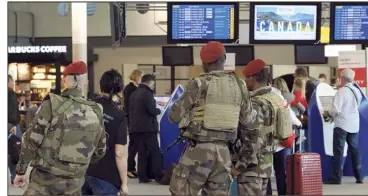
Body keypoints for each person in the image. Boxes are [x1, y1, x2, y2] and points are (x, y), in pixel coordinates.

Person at [169, 41, 254, 196]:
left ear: (203, 62)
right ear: (224, 58)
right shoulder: (239, 85)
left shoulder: (198, 83)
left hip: (198, 152)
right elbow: (248, 120)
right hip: (224, 154)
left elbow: (174, 116)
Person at [13, 61, 107, 195]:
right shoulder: (96, 111)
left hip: (44, 182)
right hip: (74, 183)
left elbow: (31, 140)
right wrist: (77, 164)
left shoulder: (51, 104)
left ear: (64, 81)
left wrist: (21, 171)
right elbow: (100, 150)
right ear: (86, 83)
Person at [236, 59, 293, 196]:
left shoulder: (256, 103)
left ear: (252, 78)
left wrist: (240, 166)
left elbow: (253, 138)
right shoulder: (275, 98)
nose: (245, 82)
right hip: (267, 161)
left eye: (246, 78)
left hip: (252, 166)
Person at [83, 69, 128, 195]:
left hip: (83, 172)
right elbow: (119, 153)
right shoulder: (119, 116)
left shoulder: (86, 107)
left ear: (100, 85)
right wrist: (124, 183)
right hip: (107, 177)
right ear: (119, 89)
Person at [323, 68, 363, 185]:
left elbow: (335, 110)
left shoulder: (342, 91)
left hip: (342, 125)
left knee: (338, 152)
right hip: (354, 124)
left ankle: (336, 178)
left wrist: (327, 113)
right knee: (355, 151)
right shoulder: (357, 91)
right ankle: (359, 176)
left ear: (343, 79)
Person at [267, 78, 302, 196]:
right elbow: (295, 121)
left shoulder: (259, 99)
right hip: (281, 144)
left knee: (265, 174)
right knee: (281, 173)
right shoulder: (281, 100)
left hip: (265, 144)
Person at [129, 74, 163, 183]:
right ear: (150, 82)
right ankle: (158, 175)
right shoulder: (147, 93)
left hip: (136, 127)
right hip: (147, 128)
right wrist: (159, 110)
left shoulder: (134, 93)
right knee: (155, 152)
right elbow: (152, 111)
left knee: (142, 153)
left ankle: (142, 177)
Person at [123, 69, 142, 178]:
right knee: (133, 145)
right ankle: (129, 168)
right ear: (137, 77)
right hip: (132, 120)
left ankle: (131, 167)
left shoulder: (132, 88)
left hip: (132, 119)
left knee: (134, 145)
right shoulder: (131, 89)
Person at [8, 74, 21, 185]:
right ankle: (15, 176)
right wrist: (14, 124)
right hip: (11, 125)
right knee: (14, 150)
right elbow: (12, 111)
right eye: (12, 81)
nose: (13, 83)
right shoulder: (10, 93)